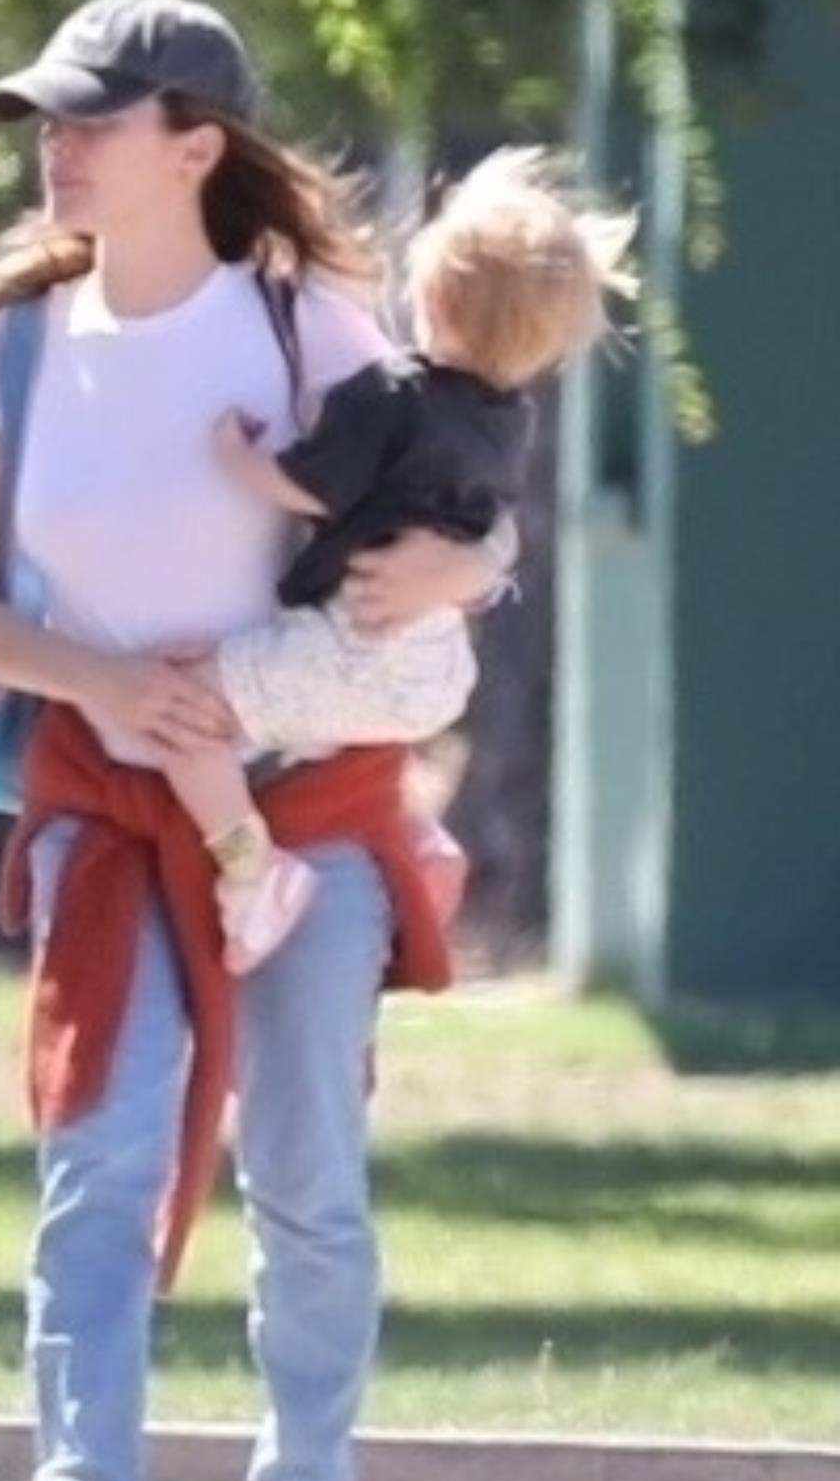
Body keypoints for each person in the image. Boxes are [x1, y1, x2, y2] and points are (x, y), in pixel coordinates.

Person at [0, 0, 512, 1481]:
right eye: (49, 119)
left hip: (314, 803)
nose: (61, 147)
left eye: (95, 120)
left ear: (197, 146)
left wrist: (474, 565)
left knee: (307, 1165)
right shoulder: (14, 352)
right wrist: (87, 680)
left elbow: (459, 510)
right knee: (100, 1144)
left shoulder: (314, 324)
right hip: (110, 792)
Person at [175, 146, 636, 973]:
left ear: (428, 294)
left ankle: (253, 874)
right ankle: (414, 837)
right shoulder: (510, 422)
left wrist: (234, 455)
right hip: (431, 666)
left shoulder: (387, 394)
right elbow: (492, 532)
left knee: (181, 711)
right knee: (302, 725)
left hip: (351, 641)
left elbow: (311, 488)